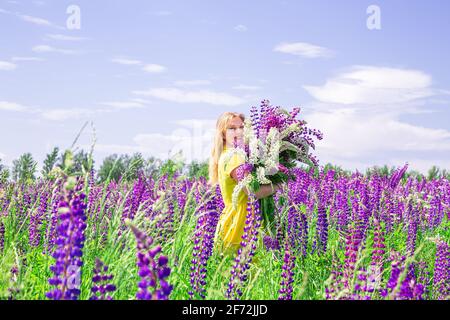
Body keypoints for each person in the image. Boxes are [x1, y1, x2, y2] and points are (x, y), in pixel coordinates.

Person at [208, 111, 282, 255]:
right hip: (241, 224)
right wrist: (278, 185)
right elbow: (252, 191)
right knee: (245, 273)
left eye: (241, 127)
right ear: (223, 133)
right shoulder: (234, 158)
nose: (239, 131)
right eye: (232, 128)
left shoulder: (225, 155)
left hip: (233, 219)